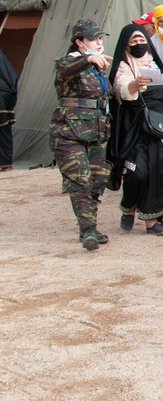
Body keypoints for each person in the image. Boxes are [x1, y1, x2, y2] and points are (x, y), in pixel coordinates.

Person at [107, 23, 163, 236]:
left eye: (141, 40)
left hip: (159, 124)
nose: (138, 44)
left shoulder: (155, 62)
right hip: (134, 126)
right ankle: (129, 207)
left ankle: (152, 219)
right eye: (133, 41)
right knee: (138, 172)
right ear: (126, 45)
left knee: (161, 170)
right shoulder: (123, 65)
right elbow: (121, 89)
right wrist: (135, 85)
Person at [49, 19, 112, 250]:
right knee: (80, 178)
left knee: (97, 178)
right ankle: (87, 230)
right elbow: (66, 69)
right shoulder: (70, 62)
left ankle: (91, 226)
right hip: (68, 133)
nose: (98, 42)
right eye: (93, 38)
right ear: (79, 42)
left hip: (96, 131)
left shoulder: (98, 67)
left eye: (100, 38)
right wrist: (87, 59)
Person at [0, 46, 17, 171]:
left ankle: (6, 165)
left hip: (2, 94)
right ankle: (5, 164)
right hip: (6, 93)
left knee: (3, 130)